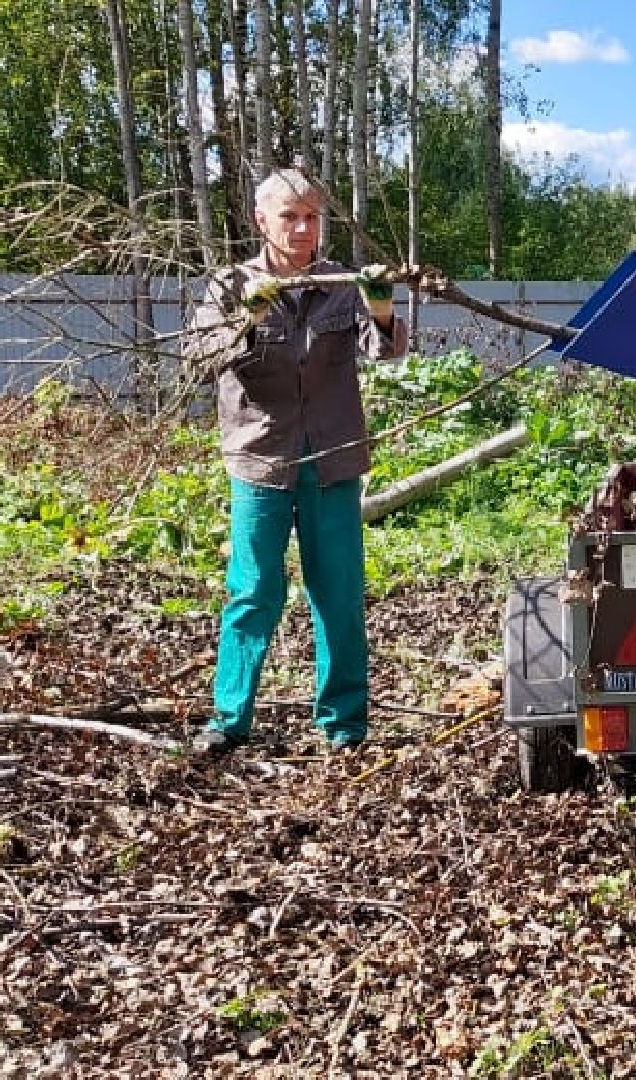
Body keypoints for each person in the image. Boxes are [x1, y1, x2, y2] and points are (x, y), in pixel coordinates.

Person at [185, 169, 405, 754]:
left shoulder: (340, 283)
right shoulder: (230, 284)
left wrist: (381, 310)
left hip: (332, 460)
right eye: (290, 216)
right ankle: (228, 720)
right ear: (262, 220)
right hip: (261, 460)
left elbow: (383, 350)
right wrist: (247, 318)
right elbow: (199, 357)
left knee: (338, 591)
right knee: (253, 591)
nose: (303, 227)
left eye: (312, 216)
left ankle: (345, 725)